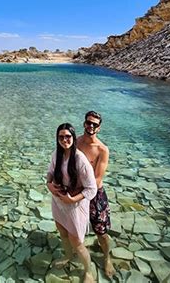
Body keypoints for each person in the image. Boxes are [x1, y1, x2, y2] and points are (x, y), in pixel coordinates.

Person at [47, 123, 97, 283]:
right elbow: (49, 173)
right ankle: (68, 256)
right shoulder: (57, 154)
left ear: (73, 138)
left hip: (75, 205)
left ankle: (88, 271)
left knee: (76, 241)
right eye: (61, 137)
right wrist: (49, 185)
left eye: (68, 136)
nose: (64, 140)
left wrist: (72, 199)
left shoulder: (80, 159)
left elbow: (91, 189)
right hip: (58, 201)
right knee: (62, 232)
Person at [76, 111, 115, 278]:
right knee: (76, 231)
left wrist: (79, 196)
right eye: (88, 122)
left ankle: (107, 257)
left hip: (95, 195)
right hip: (76, 191)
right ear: (84, 123)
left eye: (95, 124)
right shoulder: (75, 141)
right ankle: (85, 266)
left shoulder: (102, 150)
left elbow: (97, 180)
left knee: (101, 232)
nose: (91, 126)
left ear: (99, 128)